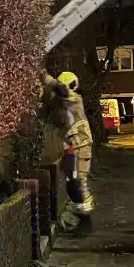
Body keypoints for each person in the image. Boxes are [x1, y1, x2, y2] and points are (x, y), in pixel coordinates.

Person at [41, 71, 96, 225]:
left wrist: (46, 79)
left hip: (81, 146)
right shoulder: (61, 104)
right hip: (72, 148)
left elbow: (62, 91)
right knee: (72, 182)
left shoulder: (75, 100)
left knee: (79, 181)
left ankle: (84, 218)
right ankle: (80, 215)